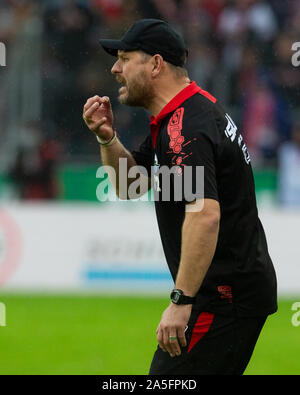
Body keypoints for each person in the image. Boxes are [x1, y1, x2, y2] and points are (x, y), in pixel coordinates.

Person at [82, 19, 277, 375]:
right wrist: (107, 139)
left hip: (222, 299)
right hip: (229, 294)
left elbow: (205, 214)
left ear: (155, 64)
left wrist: (181, 300)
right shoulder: (178, 116)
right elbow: (130, 185)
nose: (115, 68)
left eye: (125, 57)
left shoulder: (185, 127)